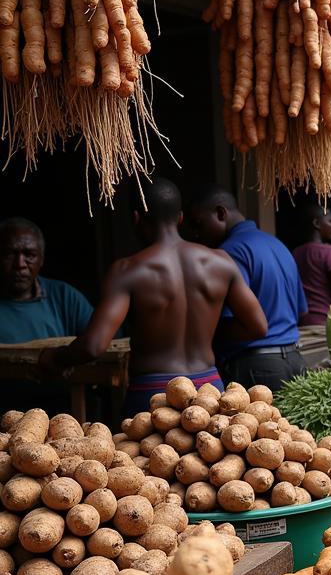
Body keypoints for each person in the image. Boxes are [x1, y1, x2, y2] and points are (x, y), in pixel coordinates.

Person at [41, 178, 267, 416]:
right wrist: (209, 329)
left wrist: (55, 358)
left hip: (153, 394)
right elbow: (258, 327)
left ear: (136, 218)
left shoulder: (128, 271)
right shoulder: (222, 262)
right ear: (180, 218)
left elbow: (94, 346)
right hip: (208, 388)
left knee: (148, 455)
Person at [188, 184, 307, 392]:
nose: (196, 234)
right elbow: (301, 310)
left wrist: (204, 331)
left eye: (199, 224)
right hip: (295, 361)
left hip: (258, 367)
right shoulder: (277, 244)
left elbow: (237, 323)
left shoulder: (230, 252)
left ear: (220, 213)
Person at [0, 218, 95, 412]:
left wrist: (65, 357)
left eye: (29, 255)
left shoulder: (64, 296)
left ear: (41, 259)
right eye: (10, 254)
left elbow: (101, 346)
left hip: (63, 415)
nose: (20, 264)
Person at [291, 201, 331, 327]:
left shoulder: (295, 253)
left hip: (302, 325)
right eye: (330, 221)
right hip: (326, 326)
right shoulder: (330, 252)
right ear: (316, 224)